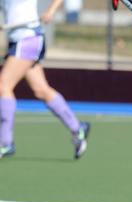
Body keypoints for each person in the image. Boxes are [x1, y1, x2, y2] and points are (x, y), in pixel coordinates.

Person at [0, 0, 90, 159]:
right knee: (40, 89)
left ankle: (5, 142)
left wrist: (51, 11)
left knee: (3, 85)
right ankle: (77, 128)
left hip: (28, 37)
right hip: (16, 39)